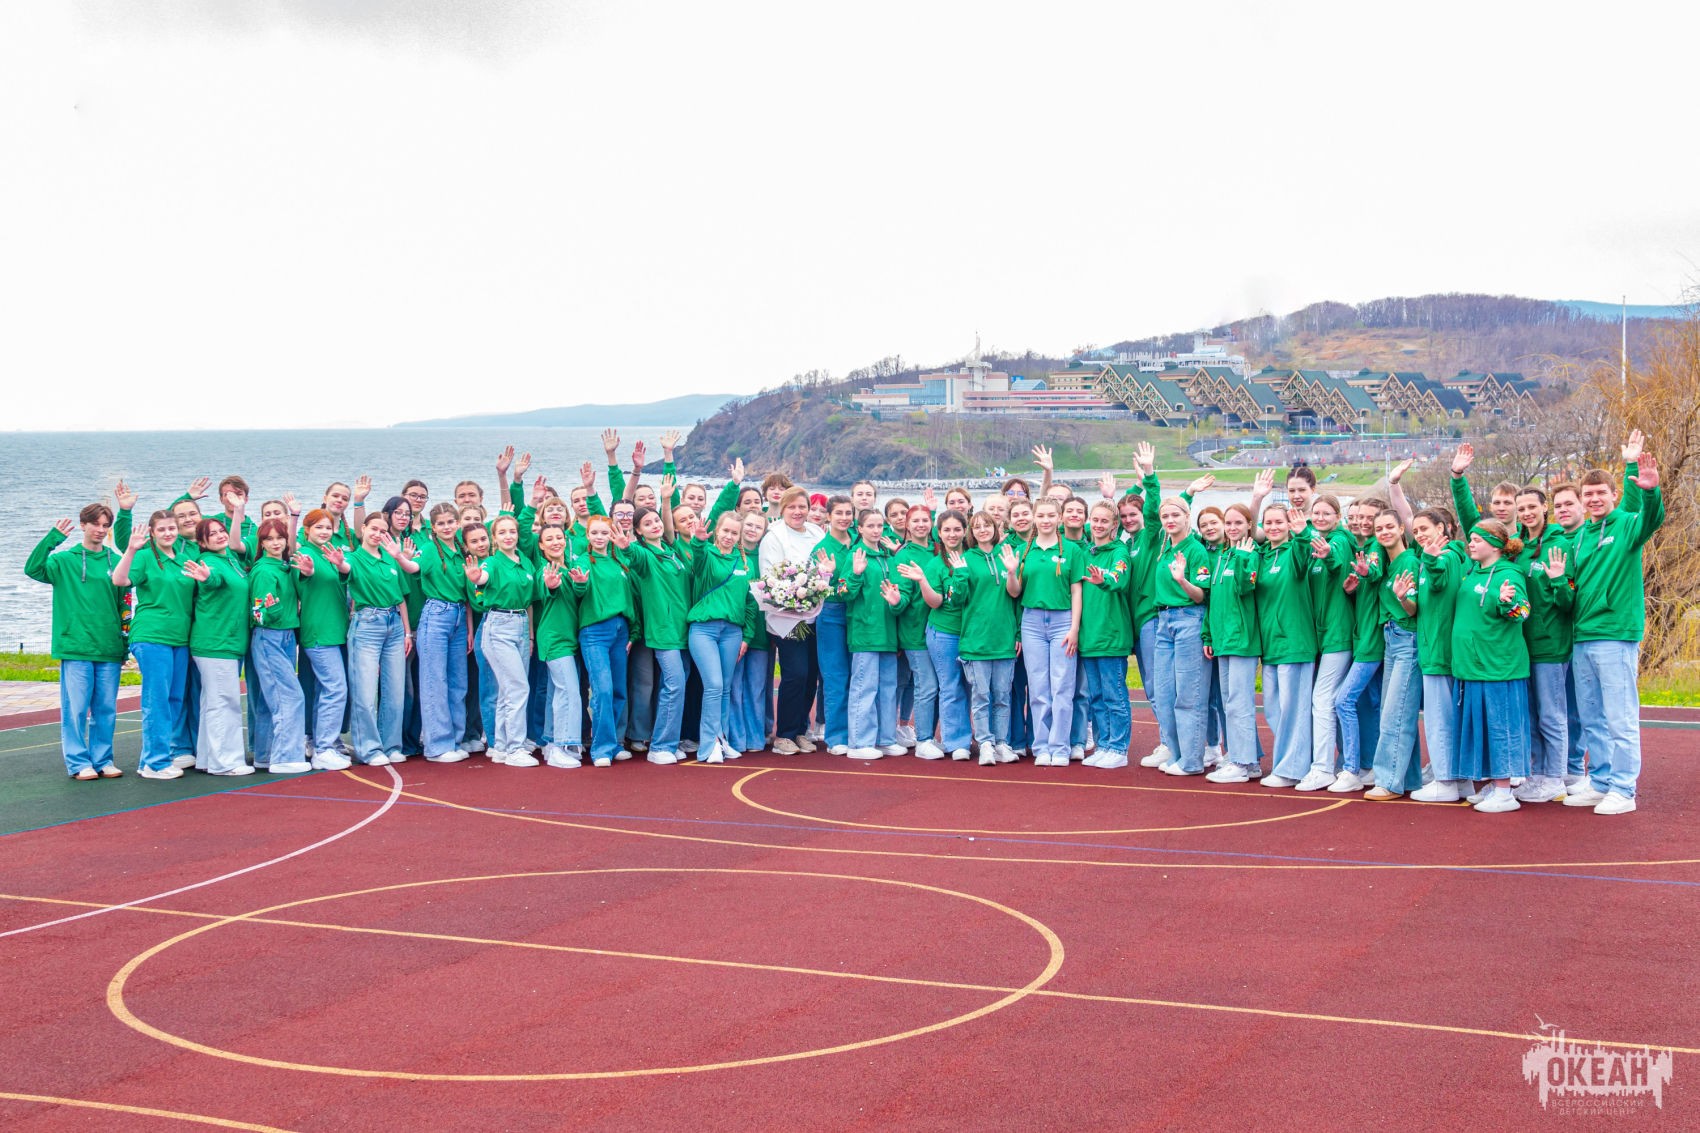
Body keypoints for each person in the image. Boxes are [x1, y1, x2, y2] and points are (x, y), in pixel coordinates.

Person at [1563, 446, 1664, 815]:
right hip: (1582, 638)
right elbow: (1570, 587)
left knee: (1620, 717)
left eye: (1600, 493)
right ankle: (1601, 781)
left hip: (1615, 635)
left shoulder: (1625, 525)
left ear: (1614, 495)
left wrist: (1649, 489)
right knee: (1592, 718)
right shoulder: (1578, 538)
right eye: (1588, 494)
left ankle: (1624, 788)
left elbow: (1651, 518)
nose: (1594, 499)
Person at [26, 505, 127, 780]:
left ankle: (103, 759)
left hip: (109, 647)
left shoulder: (117, 561)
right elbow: (32, 568)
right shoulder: (63, 561)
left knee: (106, 709)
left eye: (105, 525)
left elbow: (125, 606)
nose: (100, 530)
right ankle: (78, 762)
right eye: (95, 524)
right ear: (83, 525)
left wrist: (124, 644)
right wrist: (53, 538)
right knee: (76, 710)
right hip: (75, 647)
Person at [1451, 520, 1534, 813]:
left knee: (1502, 729)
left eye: (1477, 540)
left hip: (1498, 666)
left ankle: (1504, 792)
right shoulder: (1473, 571)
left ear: (1495, 545)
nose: (1471, 544)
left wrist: (1507, 604)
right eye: (1470, 538)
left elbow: (1522, 611)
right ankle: (1492, 785)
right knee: (1483, 730)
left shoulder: (1509, 574)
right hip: (1472, 666)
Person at [111, 511, 196, 779]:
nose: (168, 533)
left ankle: (157, 756)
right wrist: (131, 550)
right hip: (152, 636)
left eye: (172, 528)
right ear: (152, 532)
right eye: (162, 529)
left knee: (174, 700)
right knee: (157, 699)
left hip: (180, 638)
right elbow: (119, 580)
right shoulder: (145, 557)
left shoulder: (184, 559)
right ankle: (154, 763)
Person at [1006, 498, 1084, 768]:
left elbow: (1076, 590)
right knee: (1039, 688)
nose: (1046, 520)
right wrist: (1011, 573)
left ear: (1059, 518)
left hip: (1062, 620)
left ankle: (1060, 746)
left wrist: (1074, 628)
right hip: (1032, 622)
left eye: (1051, 515)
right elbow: (1014, 592)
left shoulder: (1072, 550)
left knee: (1062, 686)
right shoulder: (1023, 550)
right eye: (1041, 515)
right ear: (1034, 518)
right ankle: (1041, 746)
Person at [897, 509, 973, 761]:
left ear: (965, 531)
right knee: (940, 686)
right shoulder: (934, 563)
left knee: (964, 688)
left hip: (970, 633)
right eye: (947, 530)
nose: (952, 534)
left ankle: (956, 737)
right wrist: (922, 581)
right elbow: (936, 601)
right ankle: (933, 740)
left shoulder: (973, 557)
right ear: (939, 533)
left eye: (957, 529)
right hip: (941, 632)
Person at [345, 512, 419, 768]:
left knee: (395, 691)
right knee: (365, 691)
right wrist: (339, 563)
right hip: (368, 623)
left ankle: (391, 744)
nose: (377, 534)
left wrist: (407, 632)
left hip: (394, 624)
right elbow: (345, 569)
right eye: (373, 529)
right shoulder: (353, 558)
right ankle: (368, 748)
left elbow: (400, 598)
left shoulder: (389, 558)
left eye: (382, 531)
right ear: (363, 529)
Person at [466, 514, 540, 767]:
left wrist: (530, 635)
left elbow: (530, 602)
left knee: (508, 689)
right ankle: (514, 748)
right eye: (502, 532)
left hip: (521, 625)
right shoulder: (492, 562)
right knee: (518, 688)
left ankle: (501, 745)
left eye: (512, 531)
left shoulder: (524, 562)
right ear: (495, 538)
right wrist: (476, 577)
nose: (508, 536)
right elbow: (483, 578)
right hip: (498, 626)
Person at [1252, 504, 1317, 789]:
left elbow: (1304, 556)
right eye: (1269, 522)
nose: (1274, 527)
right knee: (1273, 710)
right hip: (1270, 646)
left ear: (1289, 525)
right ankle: (1295, 759)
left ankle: (1292, 769)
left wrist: (1303, 534)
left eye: (1279, 522)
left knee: (1293, 710)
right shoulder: (1261, 556)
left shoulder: (1295, 551)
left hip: (1295, 642)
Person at [1147, 495, 1213, 776]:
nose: (1170, 520)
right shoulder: (1164, 548)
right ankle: (1176, 753)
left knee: (1189, 694)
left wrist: (1182, 580)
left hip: (1188, 619)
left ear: (1187, 516)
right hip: (1163, 621)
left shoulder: (1196, 550)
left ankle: (1192, 760)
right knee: (1164, 694)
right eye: (1165, 516)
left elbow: (1200, 596)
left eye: (1176, 515)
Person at [1363, 508, 1426, 801]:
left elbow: (1412, 609)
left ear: (1402, 529)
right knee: (1397, 711)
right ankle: (1408, 778)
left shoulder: (1409, 561)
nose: (1384, 532)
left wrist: (1402, 598)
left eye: (1390, 526)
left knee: (1395, 713)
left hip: (1406, 638)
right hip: (1390, 639)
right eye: (1379, 529)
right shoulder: (1387, 564)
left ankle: (1388, 780)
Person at [1408, 508, 1470, 802]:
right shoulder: (1443, 557)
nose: (1419, 535)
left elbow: (1439, 582)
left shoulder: (1442, 558)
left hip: (1439, 653)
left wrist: (1431, 562)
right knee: (1449, 718)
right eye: (1416, 531)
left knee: (1439, 720)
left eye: (1424, 528)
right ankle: (1460, 781)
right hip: (1437, 650)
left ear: (1442, 528)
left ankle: (1445, 781)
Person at [627, 494, 694, 765]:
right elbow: (632, 555)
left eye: (656, 520)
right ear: (638, 531)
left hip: (684, 628)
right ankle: (660, 746)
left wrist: (666, 500)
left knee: (679, 685)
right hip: (664, 631)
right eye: (647, 523)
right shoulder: (645, 555)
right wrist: (626, 546)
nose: (654, 525)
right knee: (674, 684)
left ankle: (670, 740)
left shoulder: (672, 550)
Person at [686, 510, 757, 763]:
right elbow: (697, 558)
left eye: (734, 533)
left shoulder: (744, 563)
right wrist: (698, 540)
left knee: (725, 687)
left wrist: (747, 636)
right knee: (714, 685)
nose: (729, 536)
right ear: (717, 530)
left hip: (732, 631)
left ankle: (722, 739)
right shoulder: (707, 554)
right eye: (725, 530)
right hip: (704, 629)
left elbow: (750, 603)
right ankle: (708, 746)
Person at [758, 487, 825, 755]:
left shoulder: (817, 533)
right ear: (783, 509)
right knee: (795, 673)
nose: (798, 512)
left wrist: (814, 592)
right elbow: (769, 577)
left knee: (811, 676)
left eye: (802, 507)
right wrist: (795, 597)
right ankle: (784, 735)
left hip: (815, 616)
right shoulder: (774, 537)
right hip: (787, 618)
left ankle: (799, 730)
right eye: (792, 507)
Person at [1330, 498, 1388, 792]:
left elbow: (1375, 571)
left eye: (1369, 517)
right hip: (1363, 637)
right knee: (1371, 703)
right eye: (1357, 516)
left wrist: (1367, 573)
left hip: (1370, 642)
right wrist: (1353, 589)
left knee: (1344, 700)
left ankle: (1351, 768)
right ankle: (1371, 765)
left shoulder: (1376, 548)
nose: (1362, 522)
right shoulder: (1361, 548)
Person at [186, 517, 253, 775]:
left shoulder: (231, 559)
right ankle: (226, 762)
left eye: (221, 530)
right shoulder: (209, 562)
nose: (219, 535)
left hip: (229, 642)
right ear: (202, 542)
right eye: (211, 534)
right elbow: (212, 579)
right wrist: (206, 577)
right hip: (216, 643)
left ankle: (207, 758)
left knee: (213, 702)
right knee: (224, 702)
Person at [1201, 504, 1263, 784]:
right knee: (1230, 703)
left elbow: (1245, 586)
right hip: (1222, 639)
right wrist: (1208, 635)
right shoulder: (1222, 555)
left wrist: (1241, 556)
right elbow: (1214, 600)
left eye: (1239, 522)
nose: (1232, 527)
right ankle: (1245, 759)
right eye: (1229, 523)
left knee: (1240, 703)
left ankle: (1243, 762)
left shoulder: (1251, 554)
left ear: (1249, 525)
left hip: (1241, 640)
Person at [246, 518, 313, 774]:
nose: (275, 543)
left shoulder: (284, 566)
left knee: (269, 698)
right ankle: (285, 756)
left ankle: (265, 754)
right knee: (290, 697)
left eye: (280, 538)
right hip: (270, 636)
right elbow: (258, 612)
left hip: (285, 635)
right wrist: (272, 610)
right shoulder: (264, 571)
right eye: (269, 539)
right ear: (261, 543)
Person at [569, 516, 636, 768]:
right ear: (587, 535)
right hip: (595, 631)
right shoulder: (584, 560)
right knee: (603, 689)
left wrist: (633, 631)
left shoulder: (620, 560)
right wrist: (580, 584)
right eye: (594, 533)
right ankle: (601, 748)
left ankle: (614, 743)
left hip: (621, 629)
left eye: (604, 533)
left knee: (618, 690)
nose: (599, 537)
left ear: (611, 535)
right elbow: (580, 590)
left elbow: (630, 598)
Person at [954, 511, 1019, 765]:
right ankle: (985, 743)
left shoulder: (1006, 554)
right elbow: (958, 598)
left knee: (1002, 696)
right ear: (972, 532)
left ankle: (1001, 742)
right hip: (976, 640)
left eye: (987, 525)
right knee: (981, 697)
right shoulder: (967, 558)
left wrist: (1011, 571)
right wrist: (960, 574)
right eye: (977, 526)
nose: (983, 530)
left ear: (995, 528)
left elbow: (1015, 595)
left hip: (1003, 639)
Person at [844, 508, 908, 759]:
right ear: (859, 528)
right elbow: (843, 593)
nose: (876, 530)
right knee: (864, 687)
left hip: (888, 634)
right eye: (870, 526)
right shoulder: (856, 556)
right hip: (865, 633)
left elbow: (897, 596)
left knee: (888, 688)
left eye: (879, 525)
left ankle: (885, 738)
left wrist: (896, 603)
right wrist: (855, 574)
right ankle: (859, 742)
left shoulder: (888, 558)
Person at [413, 503, 473, 764]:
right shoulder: (429, 550)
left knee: (458, 682)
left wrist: (469, 629)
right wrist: (399, 557)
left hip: (459, 616)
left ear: (457, 524)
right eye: (441, 523)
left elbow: (467, 595)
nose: (447, 527)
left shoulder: (461, 551)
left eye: (450, 522)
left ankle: (455, 739)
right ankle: (437, 744)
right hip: (437, 614)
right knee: (434, 680)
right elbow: (413, 567)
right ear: (433, 527)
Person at [296, 509, 353, 770]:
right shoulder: (305, 555)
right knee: (335, 688)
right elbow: (304, 574)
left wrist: (339, 564)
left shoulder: (329, 554)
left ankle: (323, 742)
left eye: (328, 527)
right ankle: (324, 748)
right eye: (318, 527)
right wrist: (307, 571)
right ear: (307, 530)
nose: (324, 532)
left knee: (326, 690)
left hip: (336, 631)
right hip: (319, 632)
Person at [1078, 501, 1132, 769]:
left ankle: (1119, 748)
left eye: (1104, 521)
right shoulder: (1086, 551)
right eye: (1095, 520)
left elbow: (1118, 577)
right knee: (1097, 698)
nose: (1098, 525)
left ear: (1114, 525)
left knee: (1115, 695)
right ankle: (1104, 745)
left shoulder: (1119, 551)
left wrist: (1105, 581)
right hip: (1089, 637)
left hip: (1111, 636)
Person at [810, 495, 858, 754]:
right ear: (828, 516)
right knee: (835, 675)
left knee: (859, 675)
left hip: (860, 613)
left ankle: (859, 731)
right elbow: (815, 588)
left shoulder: (860, 541)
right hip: (832, 613)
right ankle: (837, 736)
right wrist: (826, 574)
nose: (844, 518)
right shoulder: (821, 548)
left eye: (848, 513)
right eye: (838, 513)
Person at [893, 505, 942, 758]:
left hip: (940, 631)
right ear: (907, 526)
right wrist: (895, 601)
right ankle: (923, 740)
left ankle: (930, 736)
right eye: (916, 521)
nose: (921, 525)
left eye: (925, 520)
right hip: (916, 632)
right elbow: (901, 596)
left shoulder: (938, 550)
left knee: (937, 686)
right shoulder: (904, 555)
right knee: (926, 685)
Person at [534, 523, 584, 769]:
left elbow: (578, 597)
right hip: (554, 639)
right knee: (569, 692)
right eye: (549, 539)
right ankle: (562, 746)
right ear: (541, 546)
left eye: (559, 537)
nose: (556, 542)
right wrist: (551, 585)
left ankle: (551, 741)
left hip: (569, 638)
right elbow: (547, 588)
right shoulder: (545, 570)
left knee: (557, 692)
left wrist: (580, 584)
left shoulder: (570, 567)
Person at [730, 512, 774, 755]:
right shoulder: (732, 554)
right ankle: (736, 738)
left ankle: (756, 738)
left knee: (756, 688)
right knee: (734, 687)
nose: (752, 530)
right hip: (735, 630)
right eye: (748, 524)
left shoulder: (767, 556)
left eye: (758, 527)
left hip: (760, 632)